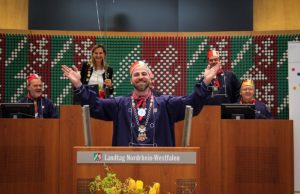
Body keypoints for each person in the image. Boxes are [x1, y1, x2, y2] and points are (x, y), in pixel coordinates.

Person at [62, 61, 220, 146]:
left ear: (151, 78)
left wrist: (205, 82)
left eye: (144, 73)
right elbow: (95, 105)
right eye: (136, 74)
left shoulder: (165, 103)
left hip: (162, 165)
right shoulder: (119, 104)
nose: (140, 77)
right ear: (131, 80)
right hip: (124, 163)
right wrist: (78, 85)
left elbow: (191, 104)